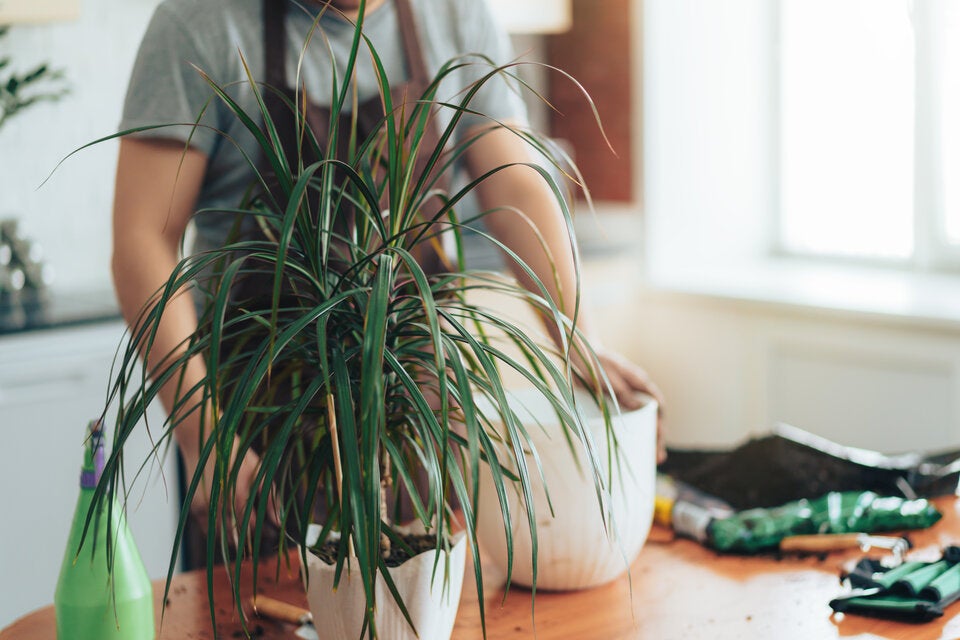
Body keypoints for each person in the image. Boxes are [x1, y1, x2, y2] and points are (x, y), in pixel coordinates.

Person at [112, 0, 665, 542]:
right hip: (259, 429)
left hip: (418, 414)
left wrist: (576, 340)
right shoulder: (197, 22)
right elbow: (144, 237)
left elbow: (515, 183)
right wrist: (200, 433)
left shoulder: (455, 14)